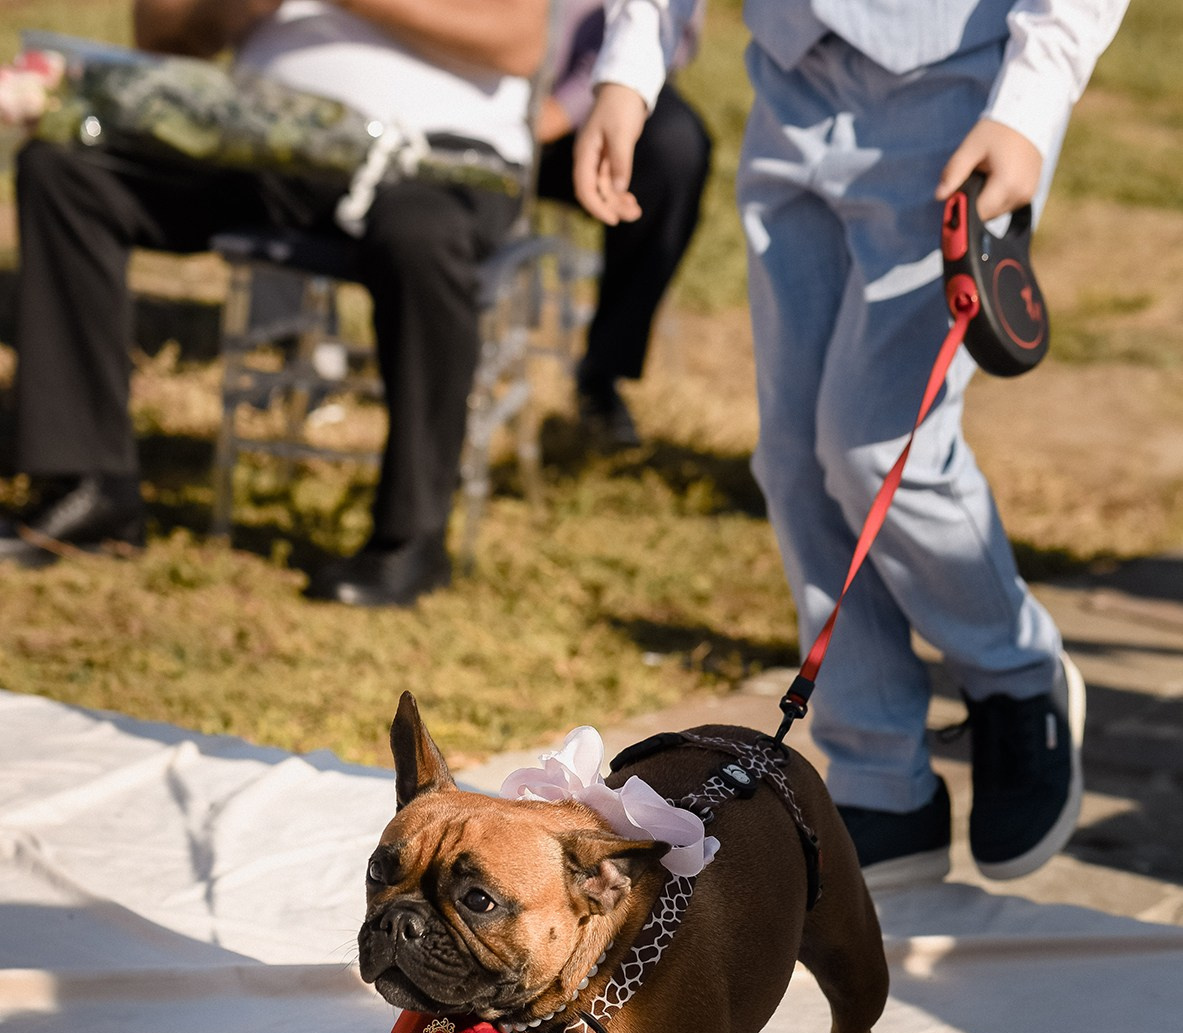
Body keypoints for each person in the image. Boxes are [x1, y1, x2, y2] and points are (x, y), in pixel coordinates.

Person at [574, 0, 1128, 885]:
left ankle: (1015, 669)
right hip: (791, 80)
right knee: (792, 458)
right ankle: (881, 776)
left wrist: (1030, 97)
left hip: (958, 91)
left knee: (878, 449)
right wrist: (627, 68)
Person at [0, 0, 547, 607]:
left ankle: (410, 538)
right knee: (65, 171)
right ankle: (89, 484)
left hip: (440, 158)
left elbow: (519, 41)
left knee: (422, 238)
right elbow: (158, 36)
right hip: (259, 135)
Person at [534, 0, 710, 447]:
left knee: (675, 150)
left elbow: (671, 25)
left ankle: (603, 371)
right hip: (470, 83)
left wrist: (563, 110)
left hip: (596, 91)